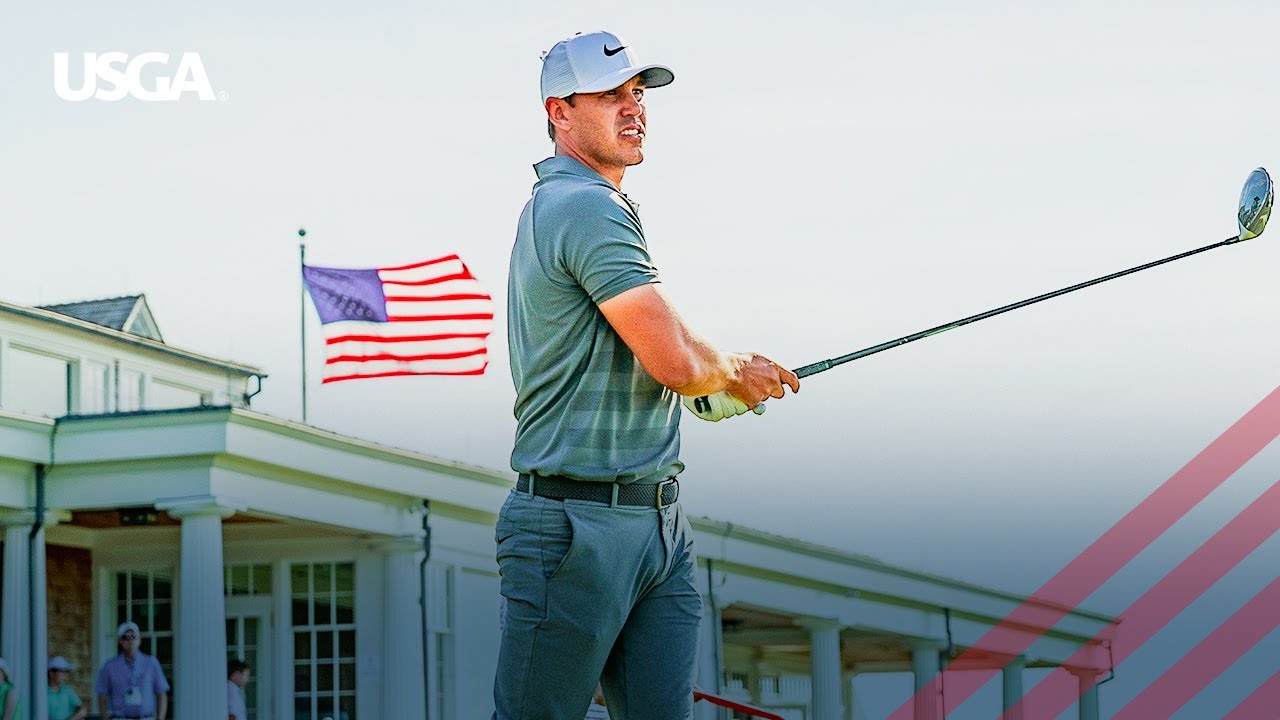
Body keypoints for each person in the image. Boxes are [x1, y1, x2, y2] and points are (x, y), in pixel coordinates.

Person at [497, 29, 799, 720]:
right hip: (573, 527)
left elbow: (672, 356)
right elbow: (677, 363)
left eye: (637, 94)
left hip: (656, 524)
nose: (633, 109)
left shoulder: (600, 207)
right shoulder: (582, 206)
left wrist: (720, 376)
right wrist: (735, 373)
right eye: (609, 96)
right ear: (559, 112)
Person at [95, 622, 169, 720]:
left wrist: (160, 718)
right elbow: (102, 696)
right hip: (120, 717)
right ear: (120, 641)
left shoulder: (151, 663)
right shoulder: (109, 666)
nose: (130, 640)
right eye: (126, 637)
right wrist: (105, 718)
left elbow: (162, 693)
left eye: (134, 636)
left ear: (139, 640)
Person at [48, 656, 86, 720]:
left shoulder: (67, 690)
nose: (65, 676)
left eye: (66, 672)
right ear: (51, 674)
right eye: (62, 672)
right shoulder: (43, 693)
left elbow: (82, 710)